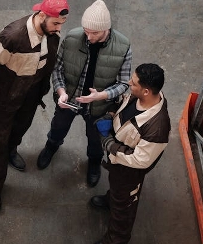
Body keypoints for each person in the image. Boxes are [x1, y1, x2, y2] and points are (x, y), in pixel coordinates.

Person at [0, 0, 69, 213]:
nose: (59, 29)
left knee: (21, 126)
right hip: (7, 95)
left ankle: (11, 150)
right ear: (42, 16)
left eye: (61, 24)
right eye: (56, 23)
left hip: (32, 91)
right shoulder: (13, 37)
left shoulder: (51, 33)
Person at [36, 0, 132, 188]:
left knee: (96, 139)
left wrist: (101, 96)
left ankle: (94, 162)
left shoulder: (123, 47)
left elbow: (123, 83)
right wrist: (61, 92)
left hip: (100, 106)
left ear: (107, 29)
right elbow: (57, 69)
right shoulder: (72, 38)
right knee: (58, 127)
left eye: (94, 32)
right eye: (86, 30)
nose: (88, 37)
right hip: (70, 99)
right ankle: (51, 146)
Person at [89, 63, 170, 244]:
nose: (128, 84)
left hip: (130, 171)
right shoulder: (136, 96)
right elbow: (123, 109)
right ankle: (111, 199)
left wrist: (110, 145)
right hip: (118, 162)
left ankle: (115, 242)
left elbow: (141, 160)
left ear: (147, 91)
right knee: (116, 189)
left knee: (124, 206)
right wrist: (110, 115)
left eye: (133, 83)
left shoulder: (158, 127)